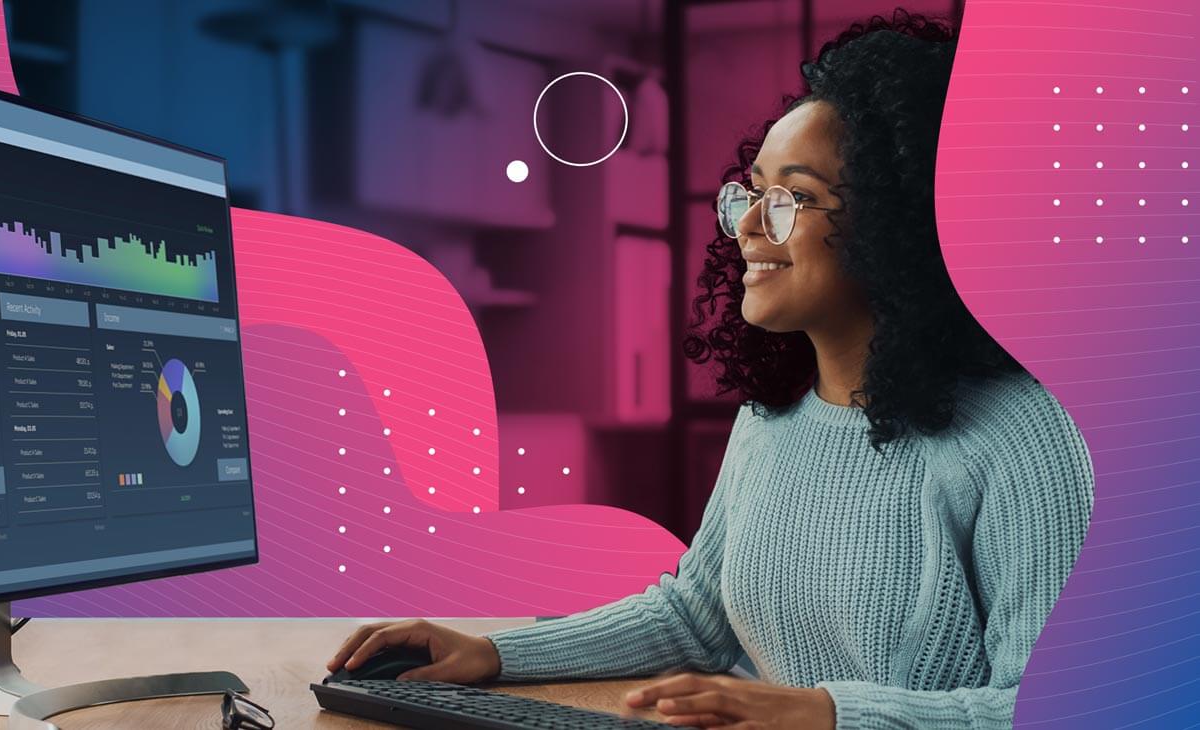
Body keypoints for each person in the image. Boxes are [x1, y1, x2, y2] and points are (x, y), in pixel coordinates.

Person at [326, 11, 1093, 729]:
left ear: (904, 223)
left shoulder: (1024, 437)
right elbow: (695, 615)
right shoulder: (773, 416)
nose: (750, 227)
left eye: (795, 197)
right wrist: (492, 654)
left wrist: (821, 714)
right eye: (752, 192)